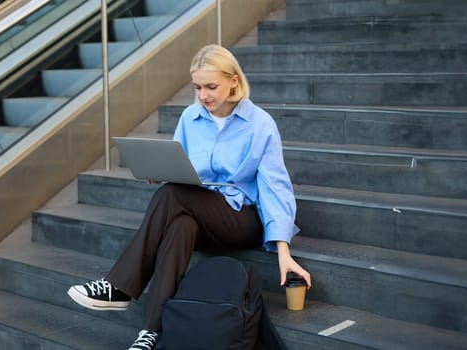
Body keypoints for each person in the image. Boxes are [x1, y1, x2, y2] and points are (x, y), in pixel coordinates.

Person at [66, 44, 312, 350]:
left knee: (172, 195)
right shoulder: (190, 117)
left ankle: (119, 288)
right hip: (198, 211)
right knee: (180, 226)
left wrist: (283, 250)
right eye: (197, 87)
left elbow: (276, 189)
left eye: (211, 86)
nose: (203, 95)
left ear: (234, 80)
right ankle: (151, 332)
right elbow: (183, 168)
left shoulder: (260, 125)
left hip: (241, 218)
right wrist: (162, 170)